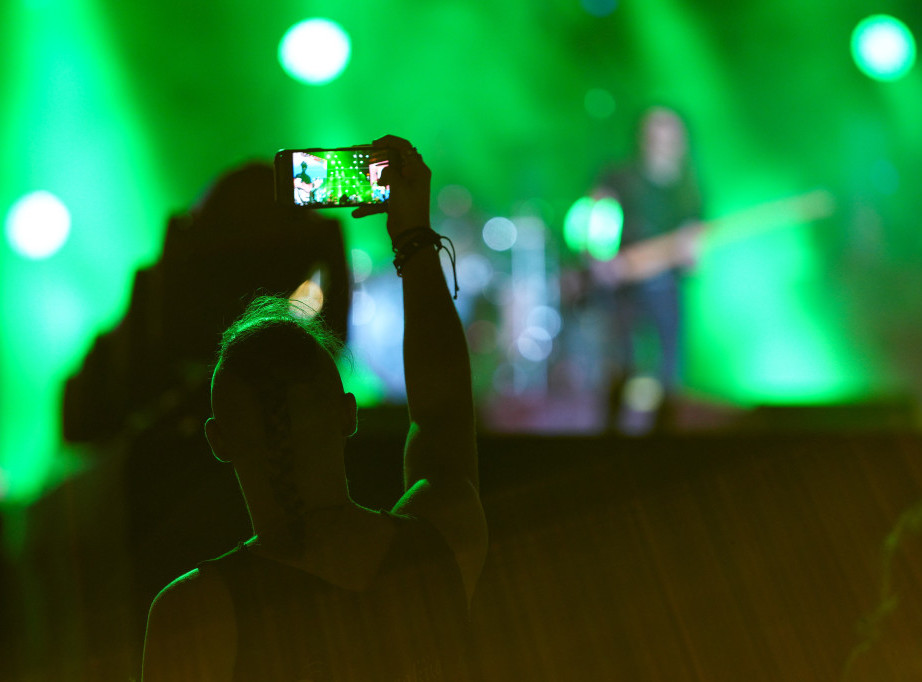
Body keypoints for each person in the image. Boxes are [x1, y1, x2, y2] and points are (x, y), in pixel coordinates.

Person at [141, 135, 488, 681]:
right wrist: (413, 237)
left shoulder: (194, 616)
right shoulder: (443, 540)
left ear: (219, 440)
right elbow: (442, 417)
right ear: (349, 414)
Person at [589, 106, 704, 431]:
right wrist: (601, 258)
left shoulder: (688, 188)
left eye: (670, 131)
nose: (663, 139)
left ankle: (662, 444)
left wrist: (691, 252)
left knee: (669, 371)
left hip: (667, 288)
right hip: (624, 289)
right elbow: (596, 216)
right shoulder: (621, 177)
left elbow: (695, 243)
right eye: (656, 130)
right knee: (622, 368)